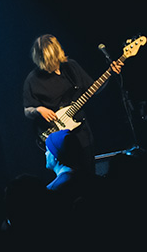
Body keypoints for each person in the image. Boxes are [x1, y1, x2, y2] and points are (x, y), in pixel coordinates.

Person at [23, 34, 122, 175]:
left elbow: (93, 89)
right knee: (69, 177)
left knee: (89, 174)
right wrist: (39, 110)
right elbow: (27, 110)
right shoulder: (33, 79)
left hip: (81, 133)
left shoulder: (71, 67)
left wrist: (111, 73)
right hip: (58, 140)